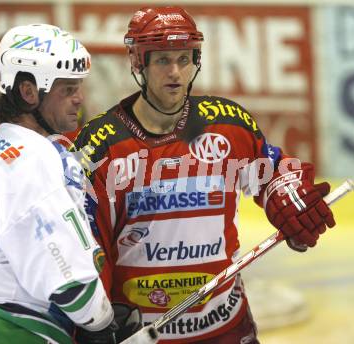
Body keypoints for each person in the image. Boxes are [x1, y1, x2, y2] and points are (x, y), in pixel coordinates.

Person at [72, 6, 336, 343]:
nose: (176, 73)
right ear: (139, 63)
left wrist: (287, 195)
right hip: (141, 333)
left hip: (225, 326)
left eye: (184, 59)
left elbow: (271, 171)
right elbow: (87, 242)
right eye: (163, 60)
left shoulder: (227, 123)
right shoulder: (100, 146)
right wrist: (97, 321)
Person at [0, 24, 145, 344]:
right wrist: (103, 322)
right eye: (67, 88)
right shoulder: (37, 158)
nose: (80, 99)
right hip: (1, 328)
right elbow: (70, 282)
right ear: (28, 92)